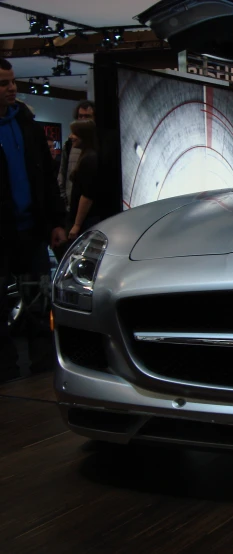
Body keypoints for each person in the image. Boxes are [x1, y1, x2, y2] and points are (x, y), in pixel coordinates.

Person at [0, 57, 67, 381]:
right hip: (3, 233)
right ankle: (6, 368)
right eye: (4, 83)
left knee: (39, 299)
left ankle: (43, 363)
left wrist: (56, 221)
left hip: (32, 230)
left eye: (12, 81)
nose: (12, 88)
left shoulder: (27, 124)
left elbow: (46, 178)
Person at [66, 119, 102, 241]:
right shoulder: (86, 156)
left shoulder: (89, 159)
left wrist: (77, 225)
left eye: (74, 133)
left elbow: (87, 196)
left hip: (88, 220)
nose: (70, 136)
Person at [58, 100, 94, 212]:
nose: (83, 119)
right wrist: (65, 201)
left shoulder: (98, 145)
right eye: (80, 116)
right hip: (71, 206)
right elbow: (62, 173)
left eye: (87, 116)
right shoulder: (69, 144)